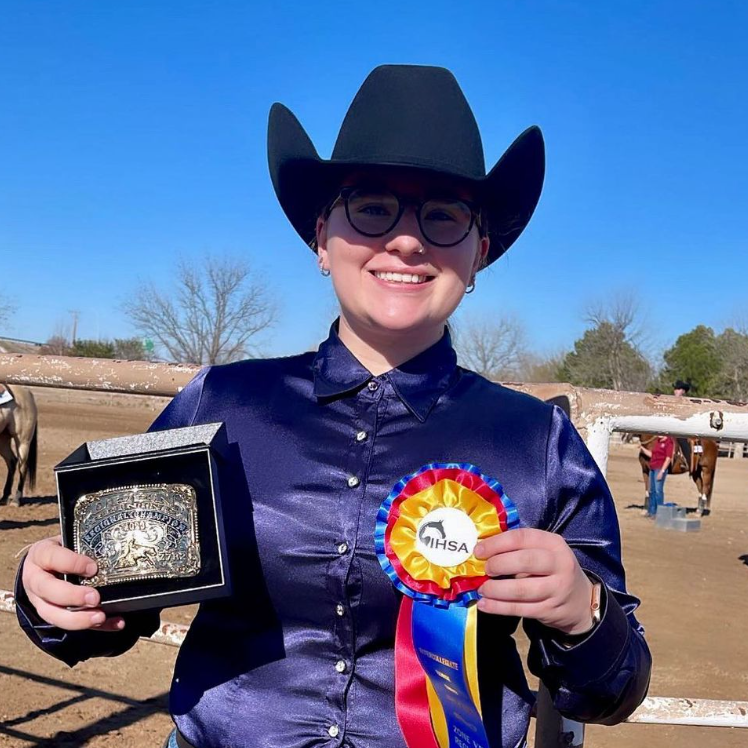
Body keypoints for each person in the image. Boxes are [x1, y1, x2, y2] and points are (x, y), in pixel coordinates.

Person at [14, 65, 651, 748]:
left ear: (479, 255)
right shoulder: (220, 401)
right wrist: (54, 597)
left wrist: (585, 613)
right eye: (373, 207)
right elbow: (112, 605)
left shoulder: (540, 443)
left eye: (443, 216)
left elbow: (612, 688)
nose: (407, 240)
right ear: (322, 237)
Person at [640, 434, 675, 517]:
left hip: (659, 469)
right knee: (652, 491)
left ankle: (659, 512)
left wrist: (662, 471)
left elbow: (668, 458)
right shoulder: (658, 441)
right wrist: (642, 449)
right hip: (652, 468)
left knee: (658, 491)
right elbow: (652, 455)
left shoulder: (669, 442)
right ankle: (651, 511)